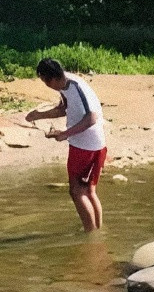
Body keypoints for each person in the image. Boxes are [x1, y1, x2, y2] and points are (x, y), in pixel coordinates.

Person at [24, 58, 107, 232]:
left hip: (84, 147)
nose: (46, 85)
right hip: (97, 144)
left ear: (50, 79)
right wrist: (38, 115)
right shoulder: (67, 83)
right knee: (89, 191)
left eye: (44, 81)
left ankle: (89, 234)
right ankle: (97, 231)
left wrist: (65, 134)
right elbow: (64, 109)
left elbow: (91, 118)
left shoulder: (76, 87)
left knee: (76, 191)